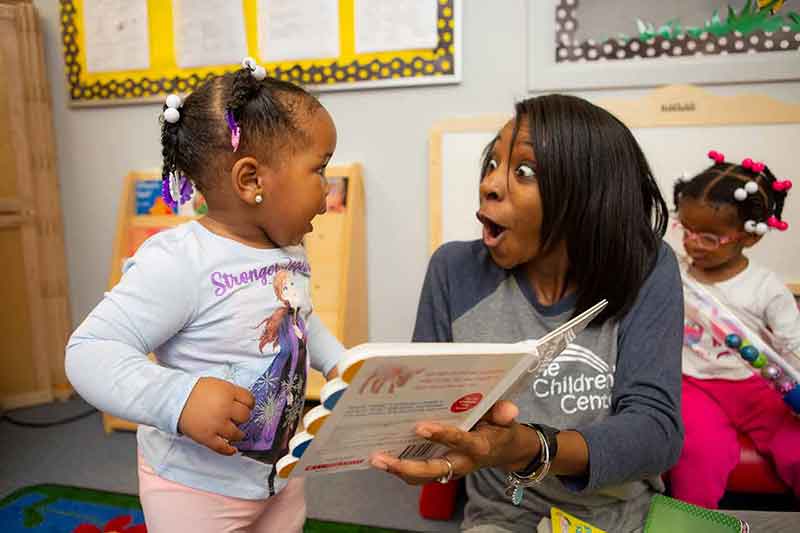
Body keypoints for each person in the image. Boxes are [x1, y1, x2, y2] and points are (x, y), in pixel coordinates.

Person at [369, 94, 685, 532]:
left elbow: (656, 432)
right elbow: (425, 415)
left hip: (620, 519)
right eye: (492, 164)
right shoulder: (453, 271)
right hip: (504, 516)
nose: (490, 184)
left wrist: (530, 448)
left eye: (523, 171)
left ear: (587, 192)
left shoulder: (648, 267)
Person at [65, 57, 343, 533]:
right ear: (252, 180)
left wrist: (340, 362)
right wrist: (179, 397)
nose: (327, 188)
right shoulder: (180, 262)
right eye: (320, 169)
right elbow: (88, 352)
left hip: (277, 470)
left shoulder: (289, 248)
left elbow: (297, 313)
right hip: (195, 489)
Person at [669, 151, 799, 508]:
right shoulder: (674, 275)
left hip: (758, 387)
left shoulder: (766, 288)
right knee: (697, 458)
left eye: (709, 238)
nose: (693, 243)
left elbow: (794, 345)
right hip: (693, 384)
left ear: (749, 238)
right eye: (687, 230)